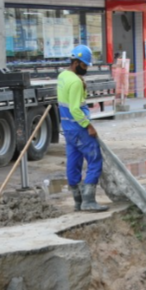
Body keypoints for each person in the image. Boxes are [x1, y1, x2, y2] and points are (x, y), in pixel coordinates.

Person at [57, 45, 107, 213]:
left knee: (74, 161)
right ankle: (89, 200)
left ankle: (77, 201)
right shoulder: (76, 82)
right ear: (77, 63)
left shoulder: (63, 76)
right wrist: (89, 126)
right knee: (95, 160)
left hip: (68, 128)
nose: (86, 68)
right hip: (79, 128)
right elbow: (75, 109)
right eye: (85, 65)